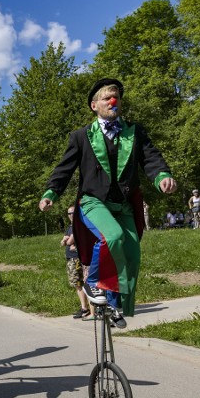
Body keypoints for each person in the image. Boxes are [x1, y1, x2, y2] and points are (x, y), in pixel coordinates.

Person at [39, 78, 177, 328]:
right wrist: (51, 192)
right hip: (93, 201)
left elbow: (151, 158)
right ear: (94, 105)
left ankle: (114, 304)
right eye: (107, 98)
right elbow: (64, 168)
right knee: (111, 236)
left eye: (117, 98)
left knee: (131, 251)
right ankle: (93, 282)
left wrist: (162, 176)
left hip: (123, 203)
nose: (113, 101)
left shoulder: (134, 132)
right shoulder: (81, 136)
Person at [63, 206, 92, 319]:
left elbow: (69, 241)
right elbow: (63, 242)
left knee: (82, 284)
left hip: (77, 258)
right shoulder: (70, 227)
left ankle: (88, 309)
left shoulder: (78, 225)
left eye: (73, 213)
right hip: (71, 258)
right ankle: (84, 308)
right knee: (78, 284)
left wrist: (68, 241)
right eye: (69, 213)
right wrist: (67, 241)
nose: (71, 215)